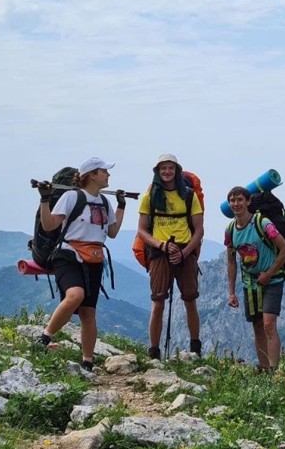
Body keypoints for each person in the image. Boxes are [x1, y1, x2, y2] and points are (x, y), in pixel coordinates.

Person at [35, 157, 126, 371]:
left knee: (88, 313)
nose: (108, 175)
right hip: (68, 254)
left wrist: (121, 206)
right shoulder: (70, 197)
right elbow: (49, 226)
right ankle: (44, 339)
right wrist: (44, 201)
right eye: (105, 171)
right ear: (92, 174)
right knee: (75, 295)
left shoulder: (104, 202)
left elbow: (112, 232)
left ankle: (87, 361)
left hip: (94, 259)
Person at [136, 153, 204, 360]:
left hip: (184, 251)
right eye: (163, 168)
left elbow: (199, 230)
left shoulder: (189, 195)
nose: (167, 172)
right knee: (158, 301)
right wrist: (162, 246)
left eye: (170, 168)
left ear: (177, 170)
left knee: (189, 299)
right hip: (160, 252)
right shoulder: (149, 196)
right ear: (158, 171)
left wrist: (184, 252)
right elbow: (141, 230)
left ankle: (195, 347)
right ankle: (154, 351)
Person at [225, 186, 285, 371]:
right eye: (232, 200)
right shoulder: (230, 229)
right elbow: (231, 261)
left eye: (240, 200)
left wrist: (269, 273)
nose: (236, 204)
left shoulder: (262, 223)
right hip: (249, 283)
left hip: (272, 280)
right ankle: (264, 370)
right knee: (257, 326)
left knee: (269, 324)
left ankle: (274, 370)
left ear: (248, 202)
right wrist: (231, 292)